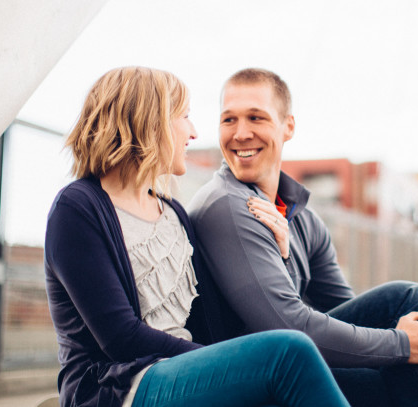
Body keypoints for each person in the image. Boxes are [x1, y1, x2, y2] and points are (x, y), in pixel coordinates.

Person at [44, 67, 350, 407]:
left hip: (187, 374)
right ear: (150, 121)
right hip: (119, 389)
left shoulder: (174, 213)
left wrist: (282, 256)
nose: (192, 132)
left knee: (314, 363)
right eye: (184, 116)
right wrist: (223, 361)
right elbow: (121, 338)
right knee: (289, 352)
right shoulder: (78, 208)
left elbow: (214, 319)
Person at [188, 68, 418, 406]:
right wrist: (405, 343)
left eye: (256, 118)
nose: (240, 133)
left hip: (288, 365)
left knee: (410, 330)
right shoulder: (227, 205)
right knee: (404, 304)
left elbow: (343, 312)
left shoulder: (304, 219)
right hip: (246, 383)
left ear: (288, 127)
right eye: (229, 120)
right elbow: (285, 327)